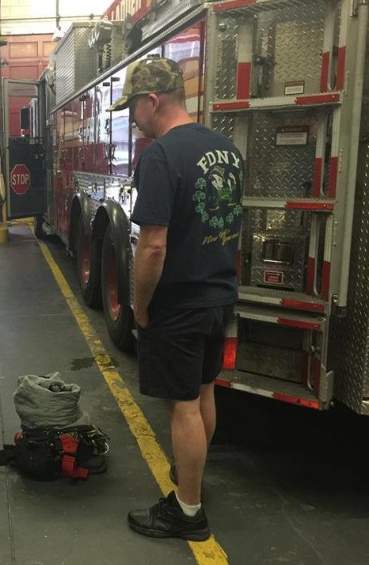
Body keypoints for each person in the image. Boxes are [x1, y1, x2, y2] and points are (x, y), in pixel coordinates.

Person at [108, 58, 243, 541]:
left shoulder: (160, 156)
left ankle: (187, 512)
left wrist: (140, 306)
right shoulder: (225, 149)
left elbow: (153, 244)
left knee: (181, 406)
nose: (134, 119)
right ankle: (193, 480)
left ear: (153, 101)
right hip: (219, 295)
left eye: (134, 108)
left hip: (180, 301)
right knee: (204, 392)